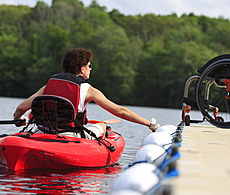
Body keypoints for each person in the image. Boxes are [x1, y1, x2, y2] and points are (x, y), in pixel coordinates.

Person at [13, 48, 159, 139]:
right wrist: (149, 124)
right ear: (82, 69)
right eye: (89, 65)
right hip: (69, 136)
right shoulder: (87, 89)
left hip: (42, 131)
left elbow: (21, 109)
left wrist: (19, 118)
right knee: (102, 126)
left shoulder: (48, 85)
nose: (91, 68)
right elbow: (120, 111)